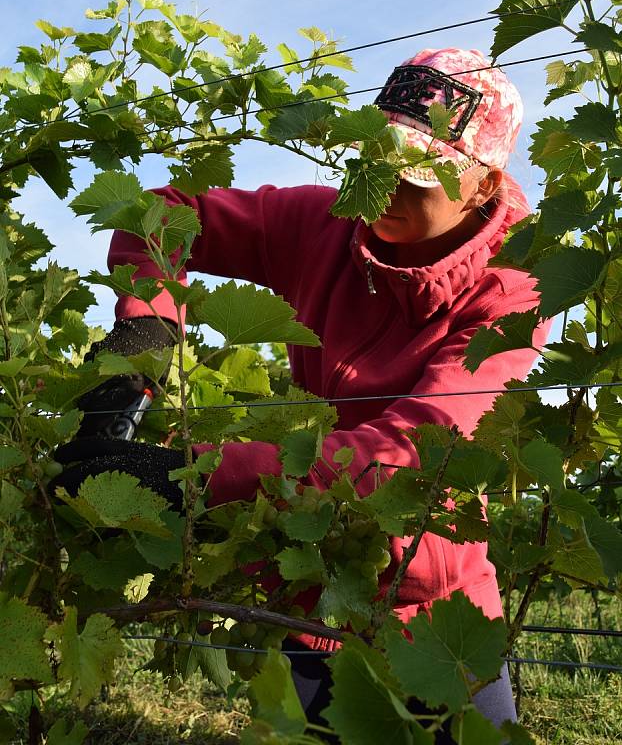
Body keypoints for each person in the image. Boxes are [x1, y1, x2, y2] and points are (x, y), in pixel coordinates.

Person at [56, 47, 550, 739]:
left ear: (482, 185)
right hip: (313, 596)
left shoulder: (516, 287)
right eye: (373, 161)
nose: (385, 190)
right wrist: (146, 337)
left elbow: (414, 455)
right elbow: (158, 213)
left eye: (417, 175)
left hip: (444, 621)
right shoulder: (324, 227)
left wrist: (195, 478)